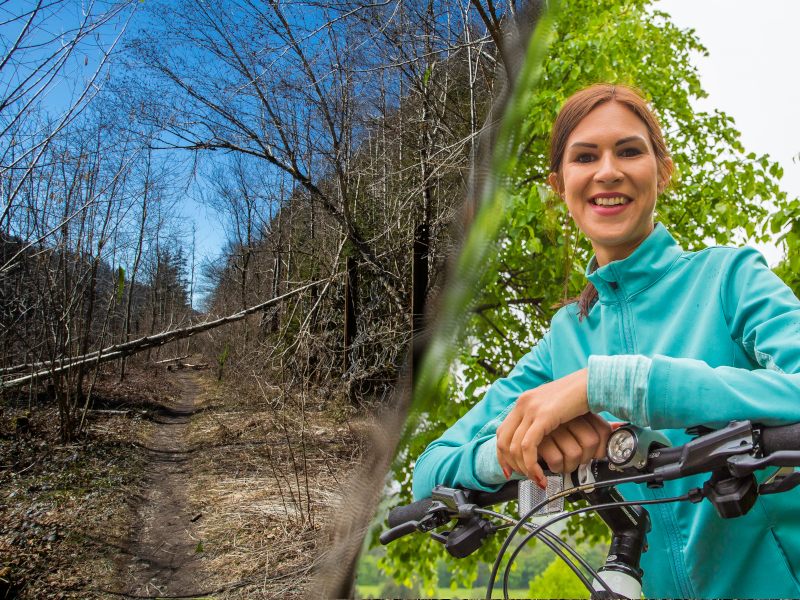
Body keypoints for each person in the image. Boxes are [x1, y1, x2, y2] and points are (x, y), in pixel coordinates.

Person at [411, 83, 800, 598]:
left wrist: (609, 382)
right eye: (585, 156)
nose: (608, 171)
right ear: (559, 185)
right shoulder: (563, 340)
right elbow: (428, 471)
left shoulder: (730, 277)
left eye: (630, 151)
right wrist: (523, 449)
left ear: (661, 172)